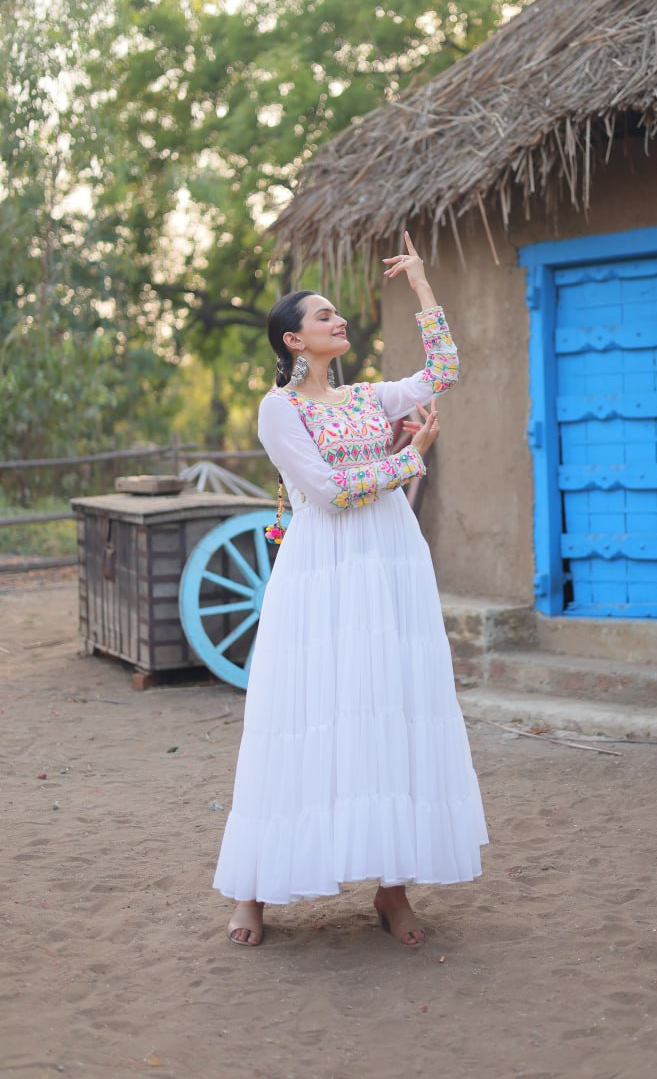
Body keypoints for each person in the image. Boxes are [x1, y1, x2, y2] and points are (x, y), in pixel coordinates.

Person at [213, 232, 488, 948]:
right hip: (324, 566)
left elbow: (445, 369)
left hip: (390, 560)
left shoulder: (368, 396)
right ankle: (252, 890)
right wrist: (407, 461)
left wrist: (423, 285)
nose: (339, 322)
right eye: (324, 316)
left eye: (338, 315)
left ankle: (391, 889)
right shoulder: (281, 410)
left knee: (386, 711)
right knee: (305, 713)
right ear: (294, 340)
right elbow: (329, 494)